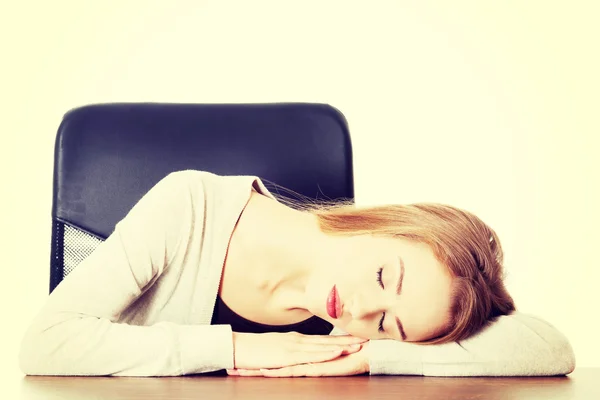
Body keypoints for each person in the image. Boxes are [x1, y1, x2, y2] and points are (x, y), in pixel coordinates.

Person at [19, 170, 575, 377]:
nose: (357, 312)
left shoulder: (345, 335)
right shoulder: (189, 206)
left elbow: (549, 350)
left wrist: (375, 353)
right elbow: (45, 346)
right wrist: (236, 350)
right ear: (380, 223)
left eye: (387, 324)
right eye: (384, 278)